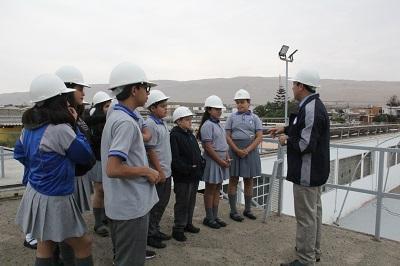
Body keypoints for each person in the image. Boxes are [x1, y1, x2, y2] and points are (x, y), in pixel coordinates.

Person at [14, 74, 95, 266]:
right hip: (57, 196)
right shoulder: (60, 129)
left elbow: (19, 153)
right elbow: (85, 156)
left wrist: (39, 168)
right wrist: (75, 126)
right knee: (84, 245)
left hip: (35, 191)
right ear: (58, 100)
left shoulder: (28, 128)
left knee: (45, 244)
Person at [101, 62, 160, 266]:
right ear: (134, 89)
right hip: (130, 207)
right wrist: (146, 170)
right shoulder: (125, 123)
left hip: (121, 203)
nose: (147, 92)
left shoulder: (117, 115)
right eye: (146, 88)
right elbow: (113, 168)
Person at [269, 69, 330, 266]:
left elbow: (305, 144)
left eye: (294, 84)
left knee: (306, 217)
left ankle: (305, 260)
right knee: (313, 214)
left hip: (307, 172)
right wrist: (285, 128)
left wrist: (287, 139)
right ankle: (313, 253)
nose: (292, 87)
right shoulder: (310, 105)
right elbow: (303, 128)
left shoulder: (311, 109)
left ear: (301, 86)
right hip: (314, 172)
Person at [56, 65, 95, 213]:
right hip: (68, 179)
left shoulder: (74, 114)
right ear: (67, 89)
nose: (83, 93)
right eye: (80, 88)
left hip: (78, 175)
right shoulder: (60, 119)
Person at [225, 89, 263, 222]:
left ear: (249, 103)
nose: (240, 105)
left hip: (250, 151)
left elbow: (259, 137)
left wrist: (247, 150)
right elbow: (227, 136)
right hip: (234, 151)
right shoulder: (231, 117)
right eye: (238, 102)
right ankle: (233, 211)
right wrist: (236, 149)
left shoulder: (255, 118)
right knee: (233, 179)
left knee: (248, 180)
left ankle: (248, 209)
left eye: (242, 102)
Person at [170, 106, 204, 241]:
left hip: (193, 175)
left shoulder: (189, 134)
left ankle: (187, 223)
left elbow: (196, 151)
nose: (190, 122)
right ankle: (178, 228)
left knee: (191, 201)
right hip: (183, 177)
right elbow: (175, 159)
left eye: (191, 119)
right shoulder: (175, 136)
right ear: (179, 121)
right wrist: (188, 168)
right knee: (182, 202)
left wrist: (200, 164)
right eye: (187, 119)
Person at [144, 90, 172, 249]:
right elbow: (151, 149)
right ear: (152, 108)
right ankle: (150, 234)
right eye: (162, 106)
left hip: (166, 171)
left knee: (162, 203)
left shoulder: (162, 122)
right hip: (159, 172)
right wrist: (159, 171)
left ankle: (155, 229)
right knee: (155, 204)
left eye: (165, 105)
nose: (165, 108)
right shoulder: (150, 124)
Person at [197, 95, 230, 229]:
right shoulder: (207, 125)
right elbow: (208, 147)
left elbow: (223, 143)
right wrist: (220, 161)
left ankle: (215, 216)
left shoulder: (219, 124)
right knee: (210, 189)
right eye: (216, 109)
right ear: (209, 110)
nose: (219, 111)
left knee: (217, 188)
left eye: (220, 109)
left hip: (221, 159)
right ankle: (209, 217)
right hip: (213, 160)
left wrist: (226, 156)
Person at [85, 91, 113, 237]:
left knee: (106, 190)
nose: (110, 109)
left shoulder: (108, 120)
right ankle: (98, 222)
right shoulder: (92, 121)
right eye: (107, 106)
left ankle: (104, 216)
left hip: (107, 159)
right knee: (100, 190)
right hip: (98, 159)